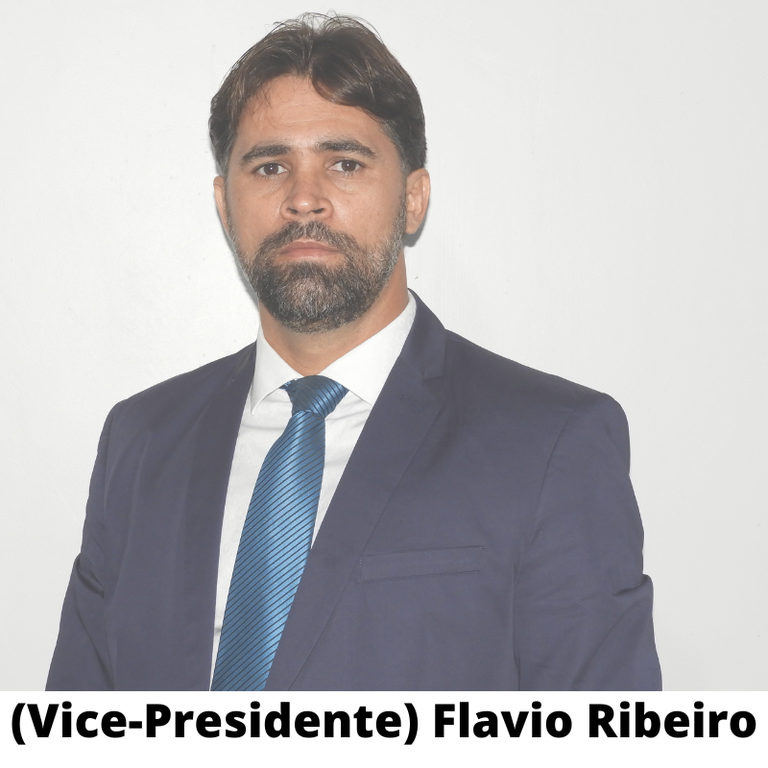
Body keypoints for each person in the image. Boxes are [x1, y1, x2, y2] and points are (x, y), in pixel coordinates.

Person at [47, 13, 661, 691]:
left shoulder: (552, 444)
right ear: (225, 205)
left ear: (412, 200)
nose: (304, 199)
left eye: (345, 163)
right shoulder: (140, 443)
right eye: (270, 166)